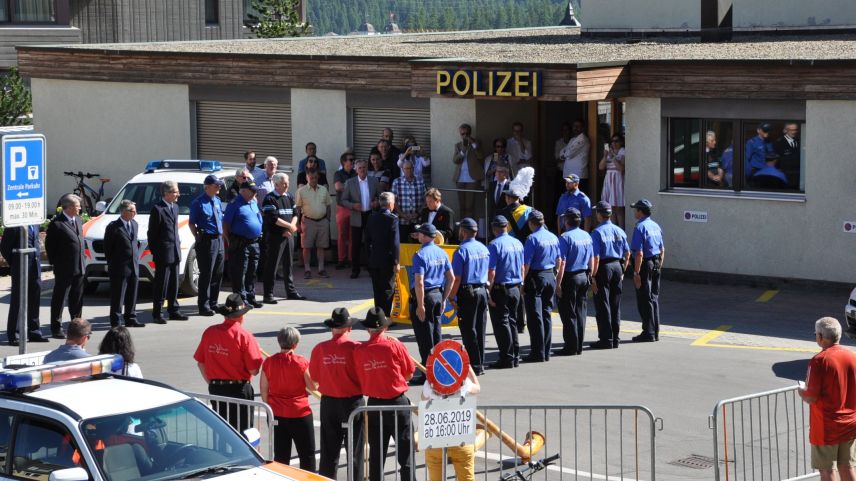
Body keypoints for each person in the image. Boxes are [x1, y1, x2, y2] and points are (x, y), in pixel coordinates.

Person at [353, 307, 415, 481]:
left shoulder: (359, 351)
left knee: (376, 455)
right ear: (385, 328)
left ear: (368, 329)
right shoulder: (394, 345)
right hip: (397, 402)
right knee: (406, 454)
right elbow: (409, 373)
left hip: (374, 404)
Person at [193, 293, 263, 433]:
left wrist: (212, 382)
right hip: (238, 390)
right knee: (243, 434)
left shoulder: (210, 332)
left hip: (216, 389)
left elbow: (200, 362)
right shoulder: (245, 336)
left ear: (225, 315)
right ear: (241, 316)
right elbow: (254, 370)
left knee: (222, 432)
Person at [310, 308, 364, 481]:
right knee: (355, 452)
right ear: (349, 328)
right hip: (353, 403)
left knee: (328, 452)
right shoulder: (356, 348)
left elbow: (315, 378)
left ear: (332, 327)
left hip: (329, 403)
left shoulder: (319, 349)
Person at [798, 317, 856, 481]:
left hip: (826, 426)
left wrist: (801, 391)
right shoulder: (852, 357)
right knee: (847, 466)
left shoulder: (819, 360)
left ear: (821, 337)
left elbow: (810, 396)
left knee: (827, 470)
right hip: (850, 422)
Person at [261, 327, 316, 471]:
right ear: (295, 344)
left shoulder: (269, 362)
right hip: (299, 413)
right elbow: (312, 386)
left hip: (277, 412)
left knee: (281, 455)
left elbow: (264, 390)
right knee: (307, 454)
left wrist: (271, 407)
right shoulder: (301, 362)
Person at [422, 346, 481, 481]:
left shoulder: (430, 383)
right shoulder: (464, 383)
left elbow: (423, 398)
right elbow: (477, 388)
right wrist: (468, 368)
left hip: (435, 438)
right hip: (460, 437)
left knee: (435, 476)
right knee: (466, 477)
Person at [410, 223, 454, 381]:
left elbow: (419, 282)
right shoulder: (441, 253)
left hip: (425, 297)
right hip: (437, 295)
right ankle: (439, 369)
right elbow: (451, 278)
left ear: (424, 236)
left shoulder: (420, 255)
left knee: (424, 338)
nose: (418, 236)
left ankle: (427, 373)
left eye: (420, 233)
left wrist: (420, 305)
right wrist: (444, 300)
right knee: (436, 335)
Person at [449, 218, 490, 375]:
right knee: (480, 328)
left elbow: (457, 278)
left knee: (468, 330)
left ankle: (473, 365)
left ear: (464, 232)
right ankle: (480, 363)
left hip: (468, 293)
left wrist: (451, 297)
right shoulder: (483, 248)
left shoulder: (461, 251)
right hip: (482, 291)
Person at [590, 201, 630, 350]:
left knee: (603, 304)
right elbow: (627, 253)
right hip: (617, 266)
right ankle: (615, 338)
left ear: (599, 215)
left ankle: (606, 339)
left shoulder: (597, 232)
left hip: (603, 268)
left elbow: (596, 257)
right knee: (615, 303)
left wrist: (592, 276)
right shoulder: (619, 230)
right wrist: (623, 270)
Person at [521, 211, 561, 363]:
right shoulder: (553, 237)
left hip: (536, 277)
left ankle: (537, 352)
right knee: (546, 314)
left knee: (534, 316)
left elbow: (526, 264)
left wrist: (522, 283)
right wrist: (555, 275)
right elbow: (558, 260)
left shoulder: (532, 238)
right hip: (550, 275)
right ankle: (546, 350)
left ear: (531, 223)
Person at [45, 193, 86, 338]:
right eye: (77, 205)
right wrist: (57, 264)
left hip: (79, 267)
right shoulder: (57, 224)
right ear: (68, 207)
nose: (80, 208)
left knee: (77, 299)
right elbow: (50, 247)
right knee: (60, 298)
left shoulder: (78, 220)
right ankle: (56, 328)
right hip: (64, 269)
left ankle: (77, 327)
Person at [1, 225, 49, 345]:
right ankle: (14, 334)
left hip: (35, 267)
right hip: (20, 267)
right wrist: (15, 262)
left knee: (34, 299)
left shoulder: (35, 223)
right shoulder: (14, 224)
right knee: (17, 301)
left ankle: (34, 332)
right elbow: (5, 247)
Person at [147, 181, 188, 324]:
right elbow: (152, 234)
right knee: (161, 284)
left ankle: (173, 310)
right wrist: (157, 252)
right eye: (176, 192)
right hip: (163, 253)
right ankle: (157, 313)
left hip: (175, 251)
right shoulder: (157, 209)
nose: (178, 194)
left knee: (174, 283)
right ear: (167, 193)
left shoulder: (175, 207)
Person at [555, 208, 594, 356]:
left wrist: (558, 283)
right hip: (583, 275)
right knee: (580, 311)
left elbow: (562, 262)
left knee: (568, 312)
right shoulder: (586, 235)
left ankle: (571, 346)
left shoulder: (565, 237)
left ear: (567, 221)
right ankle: (578, 345)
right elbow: (591, 258)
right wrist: (591, 275)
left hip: (570, 277)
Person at [486, 215, 524, 369]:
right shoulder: (518, 243)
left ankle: (507, 358)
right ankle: (515, 355)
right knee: (512, 322)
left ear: (494, 229)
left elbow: (492, 272)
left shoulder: (494, 245)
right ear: (507, 226)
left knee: (502, 324)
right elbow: (522, 267)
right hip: (515, 287)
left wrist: (488, 292)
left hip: (500, 289)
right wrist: (521, 284)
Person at [261, 173, 304, 304]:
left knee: (288, 264)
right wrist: (289, 227)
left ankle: (291, 291)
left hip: (289, 236)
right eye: (284, 183)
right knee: (272, 266)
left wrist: (292, 226)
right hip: (276, 237)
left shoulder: (289, 196)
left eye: (287, 182)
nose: (287, 185)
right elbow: (272, 218)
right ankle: (268, 294)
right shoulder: (270, 198)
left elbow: (295, 213)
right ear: (276, 184)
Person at [223, 181, 264, 308]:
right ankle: (241, 299)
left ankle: (250, 296)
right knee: (240, 272)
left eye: (255, 191)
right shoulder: (235, 204)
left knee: (252, 272)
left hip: (254, 242)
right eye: (252, 191)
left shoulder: (253, 202)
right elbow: (225, 224)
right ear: (243, 191)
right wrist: (229, 240)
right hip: (241, 243)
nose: (255, 194)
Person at [104, 200, 144, 327]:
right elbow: (108, 248)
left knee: (132, 294)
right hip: (119, 267)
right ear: (123, 211)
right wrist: (114, 264)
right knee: (118, 296)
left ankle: (131, 317)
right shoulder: (113, 227)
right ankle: (116, 321)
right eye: (132, 211)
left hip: (133, 265)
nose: (135, 213)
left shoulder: (134, 224)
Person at [189, 174, 225, 316]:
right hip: (207, 240)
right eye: (216, 185)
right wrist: (198, 238)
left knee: (218, 272)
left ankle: (213, 303)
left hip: (218, 239)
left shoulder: (217, 200)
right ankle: (203, 305)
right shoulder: (198, 203)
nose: (219, 187)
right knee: (207, 274)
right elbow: (192, 223)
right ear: (208, 187)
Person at [630, 199, 665, 343]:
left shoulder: (640, 227)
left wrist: (636, 273)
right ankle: (655, 331)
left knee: (644, 299)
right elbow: (662, 249)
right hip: (656, 263)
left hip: (645, 264)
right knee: (654, 298)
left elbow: (639, 253)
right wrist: (659, 266)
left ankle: (648, 332)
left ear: (640, 211)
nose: (634, 211)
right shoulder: (655, 226)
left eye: (636, 209)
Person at [341, 159, 380, 279]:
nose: (362, 170)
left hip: (370, 215)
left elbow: (380, 195)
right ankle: (355, 270)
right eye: (360, 168)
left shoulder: (374, 181)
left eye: (364, 167)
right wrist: (352, 206)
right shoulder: (350, 182)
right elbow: (343, 200)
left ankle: (371, 268)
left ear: (366, 168)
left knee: (370, 243)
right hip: (357, 215)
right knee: (356, 244)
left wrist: (376, 202)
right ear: (356, 170)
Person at [366, 192, 400, 316]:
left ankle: (377, 316)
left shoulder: (371, 217)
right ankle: (385, 317)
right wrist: (396, 261)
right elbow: (395, 243)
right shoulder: (392, 219)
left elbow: (367, 240)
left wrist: (368, 258)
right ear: (390, 204)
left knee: (377, 289)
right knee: (387, 289)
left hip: (374, 258)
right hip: (387, 259)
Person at [296, 169, 332, 279]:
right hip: (308, 222)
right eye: (311, 178)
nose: (313, 180)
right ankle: (307, 269)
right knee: (306, 247)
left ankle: (321, 269)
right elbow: (298, 208)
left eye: (316, 177)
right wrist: (297, 223)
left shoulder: (323, 190)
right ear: (307, 178)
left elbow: (328, 205)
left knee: (321, 246)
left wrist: (327, 220)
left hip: (322, 221)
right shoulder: (301, 191)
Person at [452, 123, 484, 220]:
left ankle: (470, 229)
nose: (465, 136)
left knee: (469, 206)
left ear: (470, 133)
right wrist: (463, 151)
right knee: (462, 206)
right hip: (460, 178)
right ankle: (462, 229)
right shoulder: (458, 145)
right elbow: (455, 160)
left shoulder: (476, 144)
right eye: (463, 134)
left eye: (467, 133)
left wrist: (473, 144)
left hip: (472, 179)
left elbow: (481, 156)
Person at [391, 159, 426, 243]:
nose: (409, 170)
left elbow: (425, 200)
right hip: (401, 220)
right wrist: (402, 214)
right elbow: (393, 201)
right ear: (402, 169)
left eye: (410, 168)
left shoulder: (420, 181)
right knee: (402, 244)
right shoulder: (396, 182)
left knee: (417, 245)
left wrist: (417, 213)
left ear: (413, 168)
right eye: (406, 168)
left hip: (417, 220)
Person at [499, 167, 535, 243]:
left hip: (509, 246)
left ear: (507, 198)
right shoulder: (530, 210)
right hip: (525, 245)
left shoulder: (502, 213)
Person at [334, 152, 357, 270]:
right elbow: (338, 187)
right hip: (342, 208)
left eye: (353, 160)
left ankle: (351, 259)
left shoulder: (356, 173)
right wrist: (353, 188)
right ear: (343, 162)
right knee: (342, 235)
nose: (353, 162)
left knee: (353, 235)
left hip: (354, 208)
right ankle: (341, 259)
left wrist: (346, 187)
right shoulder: (338, 173)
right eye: (350, 160)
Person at [599, 135, 625, 228]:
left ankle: (621, 230)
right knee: (611, 208)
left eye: (616, 141)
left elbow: (621, 168)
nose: (613, 143)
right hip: (609, 180)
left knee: (619, 209)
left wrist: (613, 156)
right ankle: (613, 229)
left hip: (618, 180)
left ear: (621, 142)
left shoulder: (623, 151)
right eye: (612, 141)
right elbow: (601, 167)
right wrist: (605, 156)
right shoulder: (609, 152)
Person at [559, 120, 591, 195]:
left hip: (579, 176)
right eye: (574, 126)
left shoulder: (583, 139)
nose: (575, 128)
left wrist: (565, 153)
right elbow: (561, 152)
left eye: (578, 126)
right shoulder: (572, 139)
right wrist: (565, 153)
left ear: (583, 128)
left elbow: (569, 154)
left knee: (578, 199)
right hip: (569, 174)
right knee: (569, 198)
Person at [774, 122, 801, 186]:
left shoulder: (800, 140)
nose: (794, 132)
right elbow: (776, 160)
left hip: (797, 175)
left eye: (795, 130)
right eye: (791, 130)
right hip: (784, 174)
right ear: (785, 130)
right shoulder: (779, 143)